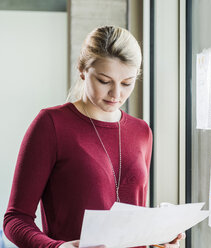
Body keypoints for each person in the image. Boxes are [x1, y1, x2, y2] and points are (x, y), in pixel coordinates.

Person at [3, 26, 184, 248]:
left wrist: (158, 239)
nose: (116, 94)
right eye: (104, 81)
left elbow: (132, 216)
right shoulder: (51, 124)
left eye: (127, 83)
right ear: (82, 70)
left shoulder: (142, 131)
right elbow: (15, 220)